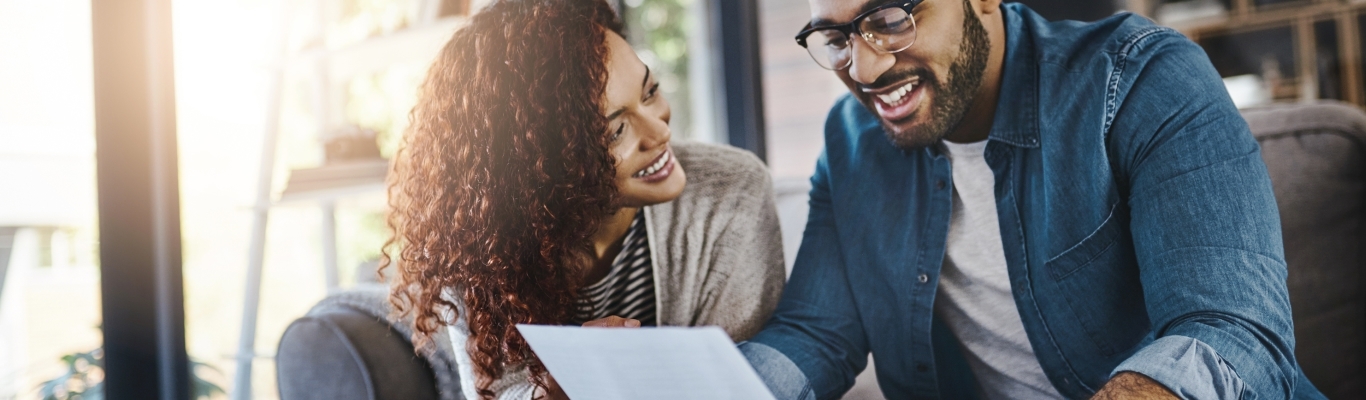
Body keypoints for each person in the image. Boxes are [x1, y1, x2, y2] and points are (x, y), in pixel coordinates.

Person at [739, 0, 1326, 399]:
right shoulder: (850, 143)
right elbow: (815, 335)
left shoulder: (1141, 77)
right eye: (835, 38)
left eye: (890, 18)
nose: (863, 67)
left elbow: (1233, 332)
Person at [381, 1, 785, 399]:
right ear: (539, 164)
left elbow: (740, 380)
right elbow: (492, 393)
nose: (659, 133)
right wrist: (554, 392)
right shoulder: (477, 240)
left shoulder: (732, 192)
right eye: (615, 132)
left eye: (650, 92)